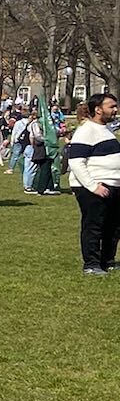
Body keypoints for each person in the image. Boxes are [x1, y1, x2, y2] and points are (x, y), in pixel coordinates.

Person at [67, 93, 120, 276]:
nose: (115, 110)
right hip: (94, 187)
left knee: (113, 226)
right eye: (111, 106)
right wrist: (92, 186)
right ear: (98, 109)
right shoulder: (86, 131)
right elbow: (75, 161)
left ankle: (107, 260)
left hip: (112, 184)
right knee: (94, 225)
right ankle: (91, 264)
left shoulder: (105, 130)